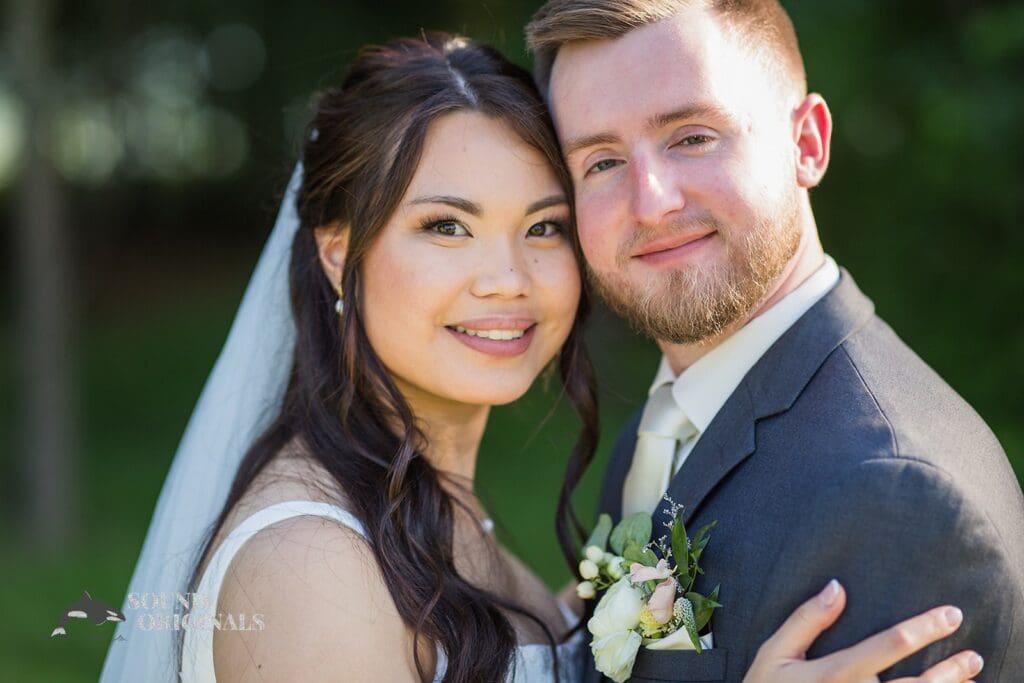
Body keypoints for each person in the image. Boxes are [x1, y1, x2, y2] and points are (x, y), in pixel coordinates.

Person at [102, 32, 982, 683]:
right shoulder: (311, 569)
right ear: (339, 252)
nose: (506, 280)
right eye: (445, 226)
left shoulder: (444, 515)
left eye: (543, 227)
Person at [527, 0, 1024, 681]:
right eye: (603, 161)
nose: (651, 201)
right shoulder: (660, 429)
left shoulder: (895, 498)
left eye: (692, 137)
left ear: (807, 143)